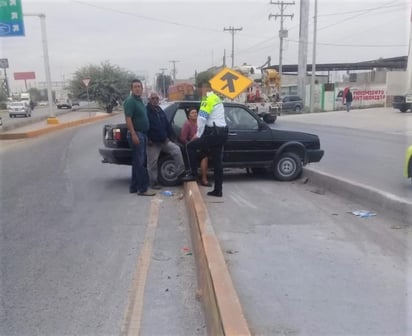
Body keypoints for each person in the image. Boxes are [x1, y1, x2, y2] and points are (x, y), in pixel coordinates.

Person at [182, 82, 228, 197]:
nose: (198, 91)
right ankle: (218, 190)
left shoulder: (207, 99)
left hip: (213, 133)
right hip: (221, 133)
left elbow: (201, 119)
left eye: (199, 88)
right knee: (218, 163)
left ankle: (193, 173)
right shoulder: (216, 98)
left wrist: (197, 135)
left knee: (190, 146)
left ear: (205, 88)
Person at [146, 92, 185, 189]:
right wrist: (148, 138)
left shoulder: (160, 110)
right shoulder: (146, 111)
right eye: (153, 98)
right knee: (152, 163)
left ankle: (181, 173)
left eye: (156, 99)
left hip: (164, 141)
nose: (155, 100)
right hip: (153, 142)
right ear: (149, 100)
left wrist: (172, 138)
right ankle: (153, 183)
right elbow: (144, 127)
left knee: (177, 150)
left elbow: (167, 125)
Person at [124, 79, 155, 196]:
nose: (137, 88)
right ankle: (143, 189)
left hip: (143, 134)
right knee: (140, 163)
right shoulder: (130, 101)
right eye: (135, 87)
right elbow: (128, 118)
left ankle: (134, 187)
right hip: (137, 134)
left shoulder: (140, 101)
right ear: (131, 89)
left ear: (142, 89)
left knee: (137, 162)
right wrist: (133, 134)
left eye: (139, 87)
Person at [179, 107, 210, 187]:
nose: (195, 114)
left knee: (205, 157)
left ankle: (204, 179)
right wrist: (191, 143)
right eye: (192, 113)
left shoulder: (200, 123)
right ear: (189, 116)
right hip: (191, 147)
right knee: (193, 154)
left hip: (200, 146)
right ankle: (194, 175)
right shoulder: (187, 124)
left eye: (196, 112)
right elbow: (182, 138)